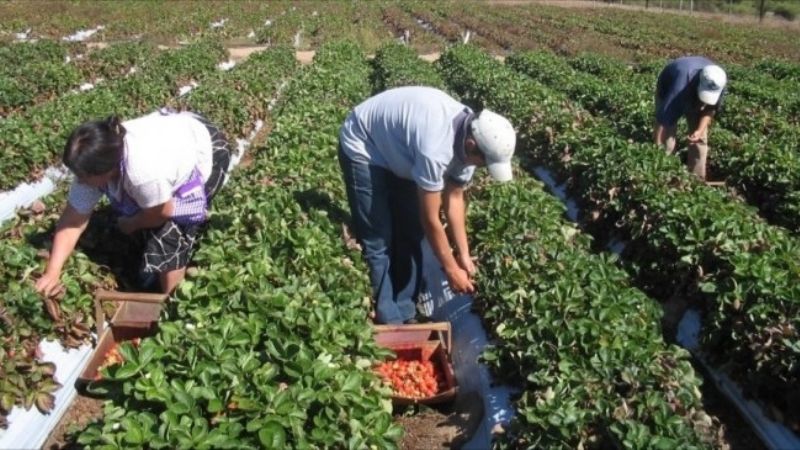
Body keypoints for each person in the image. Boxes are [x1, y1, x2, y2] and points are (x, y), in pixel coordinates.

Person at [338, 86, 516, 324]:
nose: (481, 168)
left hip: (401, 150)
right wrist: (451, 269)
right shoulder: (435, 148)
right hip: (365, 143)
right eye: (483, 163)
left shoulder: (470, 142)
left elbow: (454, 199)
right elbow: (430, 219)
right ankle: (388, 317)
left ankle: (405, 310)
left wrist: (463, 255)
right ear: (471, 145)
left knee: (411, 232)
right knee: (379, 237)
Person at [35, 109, 230, 297]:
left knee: (169, 232)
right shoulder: (99, 158)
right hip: (173, 145)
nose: (80, 181)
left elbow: (161, 213)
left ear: (106, 171)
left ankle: (174, 301)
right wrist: (52, 272)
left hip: (205, 148)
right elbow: (72, 222)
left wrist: (132, 224)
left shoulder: (143, 175)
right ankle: (150, 266)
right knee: (139, 209)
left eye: (83, 176)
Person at [654, 56, 727, 180]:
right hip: (670, 85)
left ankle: (697, 178)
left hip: (691, 85)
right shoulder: (679, 86)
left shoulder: (719, 81)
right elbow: (663, 121)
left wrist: (699, 130)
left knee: (700, 139)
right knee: (667, 140)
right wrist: (657, 145)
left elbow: (710, 109)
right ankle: (663, 174)